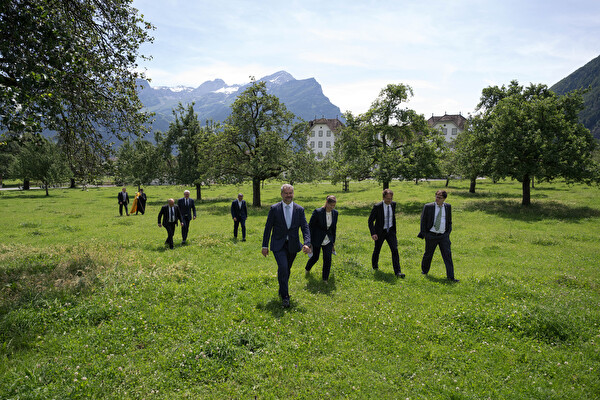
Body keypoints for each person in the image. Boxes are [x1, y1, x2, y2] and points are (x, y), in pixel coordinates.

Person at [262, 184, 311, 308]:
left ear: (293, 194)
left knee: (286, 270)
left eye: (290, 193)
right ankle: (285, 297)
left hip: (293, 245)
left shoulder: (299, 209)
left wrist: (307, 243)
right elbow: (268, 228)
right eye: (286, 193)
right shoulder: (274, 209)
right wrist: (264, 246)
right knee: (283, 267)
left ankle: (281, 288)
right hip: (278, 244)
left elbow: (305, 227)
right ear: (281, 194)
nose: (288, 195)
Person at [418, 190, 458, 282]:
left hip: (443, 236)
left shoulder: (448, 207)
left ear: (444, 198)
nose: (437, 199)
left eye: (439, 197)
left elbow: (449, 221)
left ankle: (451, 277)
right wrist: (426, 234)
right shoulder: (428, 207)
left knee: (447, 256)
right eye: (436, 196)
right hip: (431, 235)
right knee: (428, 254)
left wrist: (447, 233)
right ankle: (424, 271)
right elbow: (423, 221)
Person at [368, 188, 404, 278]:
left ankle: (398, 272)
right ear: (383, 198)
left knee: (395, 250)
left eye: (391, 198)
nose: (389, 201)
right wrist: (373, 233)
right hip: (380, 232)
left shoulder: (393, 205)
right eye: (388, 199)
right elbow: (370, 221)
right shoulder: (377, 207)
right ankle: (375, 267)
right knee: (377, 249)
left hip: (391, 231)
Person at [305, 195, 338, 282]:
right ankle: (307, 269)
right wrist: (309, 241)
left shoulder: (335, 213)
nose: (332, 207)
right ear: (326, 203)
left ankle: (325, 279)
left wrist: (333, 241)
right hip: (317, 239)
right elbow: (310, 226)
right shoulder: (318, 212)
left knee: (328, 259)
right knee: (315, 257)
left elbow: (334, 228)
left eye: (334, 206)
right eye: (331, 205)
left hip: (328, 239)